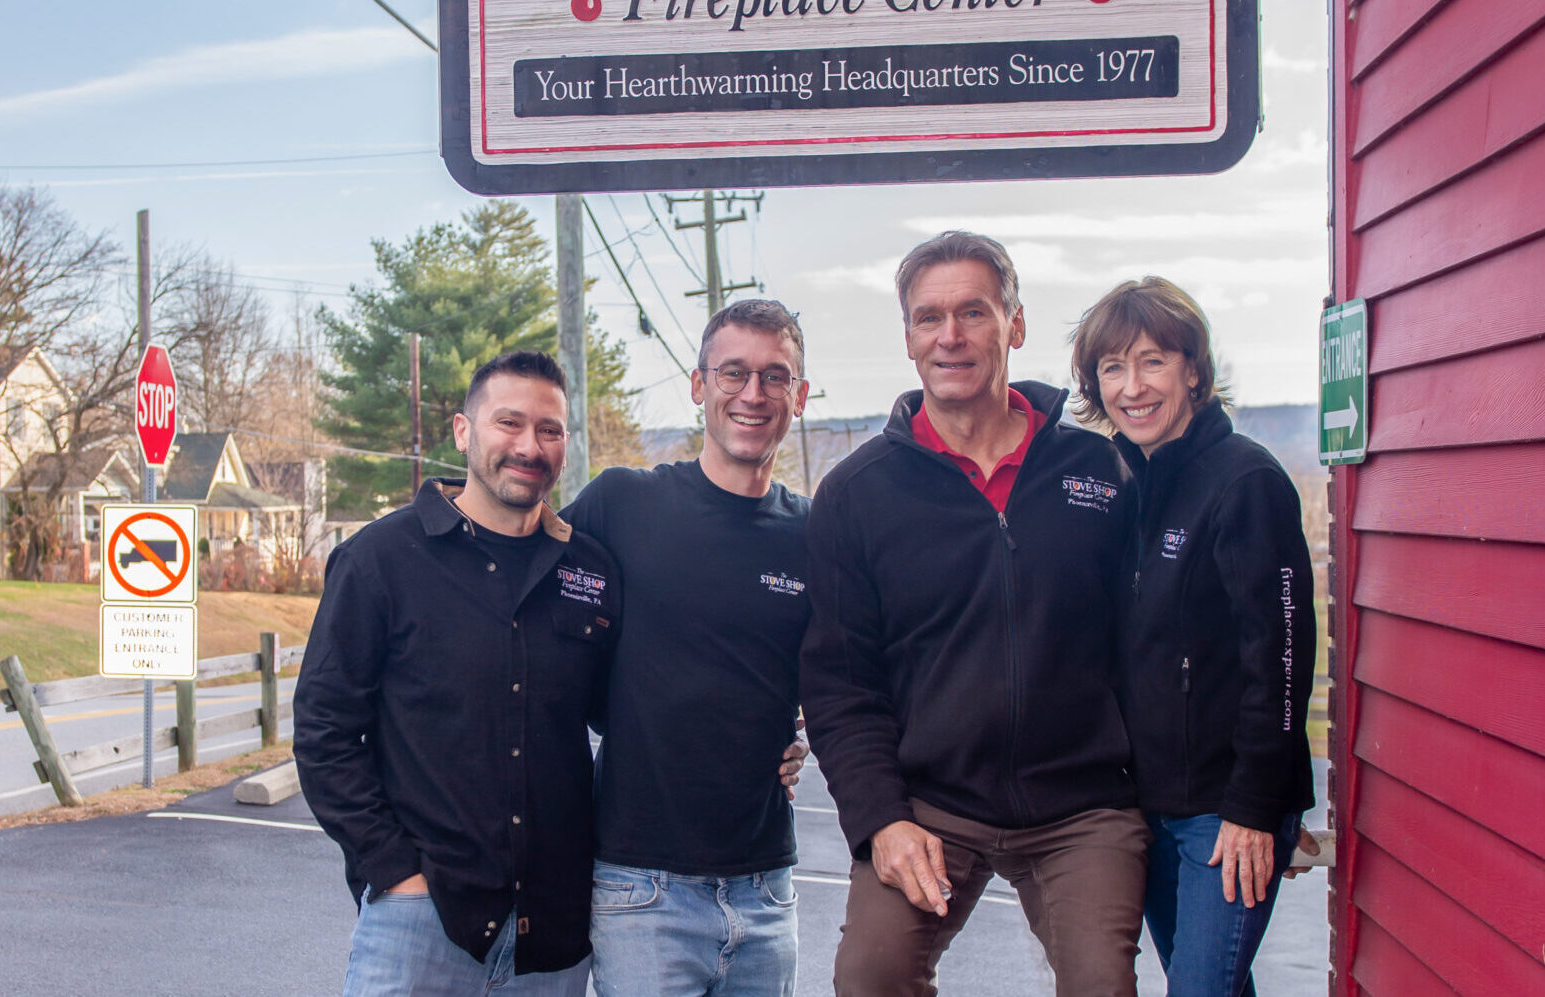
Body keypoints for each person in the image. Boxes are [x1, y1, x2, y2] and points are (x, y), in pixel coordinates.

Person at [802, 231, 1149, 997]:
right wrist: (881, 818)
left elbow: (1148, 643)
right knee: (869, 977)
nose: (949, 336)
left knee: (1102, 984)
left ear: (1014, 325)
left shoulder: (1099, 470)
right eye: (929, 317)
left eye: (973, 312)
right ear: (908, 338)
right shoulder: (857, 494)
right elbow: (840, 685)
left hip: (1082, 807)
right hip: (931, 804)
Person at [295, 350, 618, 996]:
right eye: (509, 422)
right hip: (421, 924)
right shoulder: (380, 559)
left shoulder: (590, 570)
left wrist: (768, 737)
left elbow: (631, 711)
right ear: (463, 431)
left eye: (549, 429)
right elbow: (324, 731)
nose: (529, 446)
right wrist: (393, 870)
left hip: (553, 936)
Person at [1070, 278, 1316, 997]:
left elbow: (1281, 660)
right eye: (1112, 367)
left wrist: (1255, 808)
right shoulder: (1127, 487)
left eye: (1153, 361)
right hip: (1148, 808)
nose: (1133, 386)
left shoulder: (1246, 482)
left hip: (1224, 810)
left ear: (1194, 371)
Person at [561, 298, 813, 997]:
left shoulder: (814, 534)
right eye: (733, 373)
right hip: (643, 890)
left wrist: (805, 730)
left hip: (767, 889)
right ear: (700, 385)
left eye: (775, 376)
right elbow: (520, 586)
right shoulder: (622, 504)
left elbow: (849, 672)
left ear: (799, 396)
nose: (753, 393)